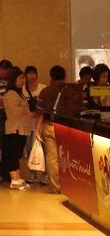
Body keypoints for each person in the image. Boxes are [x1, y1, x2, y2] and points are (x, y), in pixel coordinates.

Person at [36, 65, 85, 194]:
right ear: (64, 77)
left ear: (51, 76)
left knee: (52, 158)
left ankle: (55, 186)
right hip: (65, 127)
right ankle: (70, 185)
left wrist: (37, 129)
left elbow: (40, 112)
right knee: (68, 157)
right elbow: (75, 110)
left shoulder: (45, 91)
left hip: (49, 125)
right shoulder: (70, 91)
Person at [3, 67, 34, 190]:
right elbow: (15, 112)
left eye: (23, 78)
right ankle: (14, 180)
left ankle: (18, 177)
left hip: (22, 128)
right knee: (13, 154)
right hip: (14, 128)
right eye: (20, 78)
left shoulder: (20, 93)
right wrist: (29, 112)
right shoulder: (11, 93)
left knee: (18, 154)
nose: (23, 81)